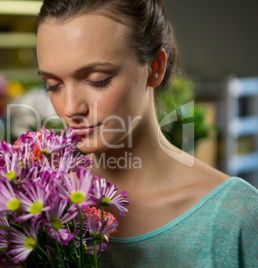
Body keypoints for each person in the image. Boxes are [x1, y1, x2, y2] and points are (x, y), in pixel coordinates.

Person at [35, 0, 258, 267]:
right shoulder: (38, 206)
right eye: (53, 85)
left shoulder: (236, 217)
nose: (71, 108)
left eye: (98, 80)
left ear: (155, 67)